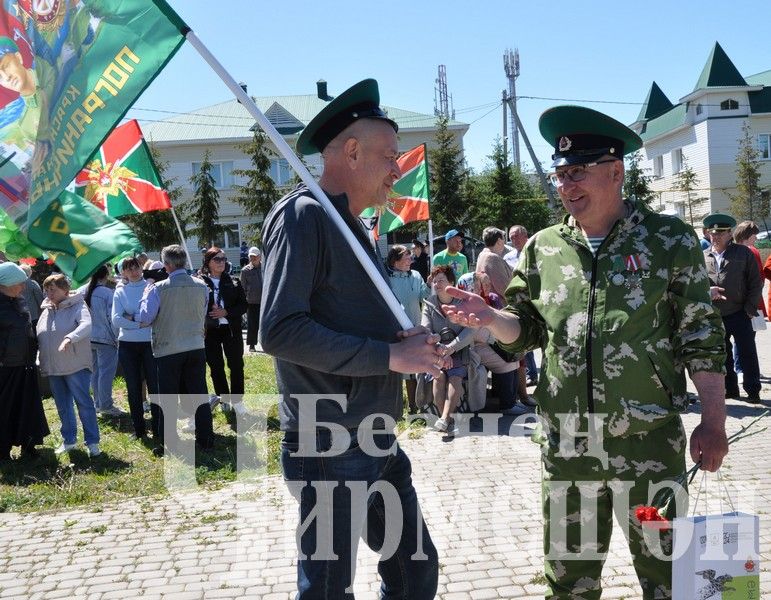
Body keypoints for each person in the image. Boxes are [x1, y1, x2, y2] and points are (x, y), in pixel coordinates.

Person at [442, 105, 728, 599]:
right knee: (568, 583)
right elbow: (525, 331)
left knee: (670, 579)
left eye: (578, 172)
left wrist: (714, 421)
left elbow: (701, 337)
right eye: (559, 174)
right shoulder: (542, 247)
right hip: (568, 445)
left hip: (648, 442)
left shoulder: (667, 241)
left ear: (615, 172)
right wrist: (490, 320)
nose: (566, 185)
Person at [260, 78, 441, 598]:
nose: (397, 169)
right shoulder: (305, 215)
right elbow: (280, 329)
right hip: (330, 441)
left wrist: (403, 338)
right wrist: (390, 355)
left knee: (414, 572)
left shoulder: (349, 222)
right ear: (353, 151)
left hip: (374, 433)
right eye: (390, 156)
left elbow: (341, 313)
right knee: (328, 588)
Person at [139, 244, 214, 456]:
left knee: (168, 398)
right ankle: (206, 439)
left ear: (167, 265)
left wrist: (147, 291)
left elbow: (145, 318)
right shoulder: (201, 285)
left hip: (168, 348)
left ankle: (169, 443)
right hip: (195, 345)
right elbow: (203, 310)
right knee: (199, 393)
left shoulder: (158, 288)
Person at [37, 273, 101, 457]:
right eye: (47, 290)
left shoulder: (78, 305)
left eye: (53, 290)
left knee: (84, 403)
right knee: (63, 405)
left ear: (65, 290)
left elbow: (86, 325)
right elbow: (42, 335)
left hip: (75, 365)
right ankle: (69, 440)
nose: (49, 293)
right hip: (54, 366)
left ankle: (92, 442)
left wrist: (69, 338)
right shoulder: (47, 310)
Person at [703, 213, 763, 404]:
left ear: (730, 234)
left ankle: (753, 390)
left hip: (740, 313)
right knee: (723, 354)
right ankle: (730, 389)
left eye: (720, 233)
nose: (716, 236)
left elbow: (756, 282)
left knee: (747, 353)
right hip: (715, 314)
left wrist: (749, 308)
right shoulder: (702, 256)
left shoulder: (743, 253)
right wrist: (707, 291)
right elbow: (695, 283)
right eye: (713, 233)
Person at [0, 262, 49, 460]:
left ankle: (28, 445)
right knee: (5, 409)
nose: (23, 287)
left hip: (25, 364)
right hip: (5, 367)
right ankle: (2, 451)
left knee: (27, 407)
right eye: (19, 283)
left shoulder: (18, 302)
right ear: (6, 284)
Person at [111, 256, 157, 440]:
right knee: (134, 387)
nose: (134, 271)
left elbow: (154, 315)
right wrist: (139, 322)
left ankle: (159, 425)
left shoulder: (151, 287)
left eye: (136, 267)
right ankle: (139, 429)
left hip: (150, 343)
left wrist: (131, 317)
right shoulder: (120, 291)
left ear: (142, 267)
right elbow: (116, 319)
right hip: (128, 344)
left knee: (155, 385)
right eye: (128, 269)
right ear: (123, 272)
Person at [200, 246, 248, 416]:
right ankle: (223, 398)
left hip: (231, 329)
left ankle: (237, 400)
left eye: (223, 259)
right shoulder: (199, 282)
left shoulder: (234, 281)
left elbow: (243, 305)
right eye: (217, 259)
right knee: (216, 366)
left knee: (236, 364)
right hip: (210, 331)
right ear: (208, 262)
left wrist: (226, 312)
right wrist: (208, 311)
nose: (222, 262)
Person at [386, 244, 429, 413]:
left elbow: (423, 295)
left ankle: (417, 406)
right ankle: (400, 407)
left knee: (415, 368)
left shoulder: (416, 275)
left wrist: (431, 284)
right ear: (395, 261)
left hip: (415, 326)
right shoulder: (386, 279)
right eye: (407, 257)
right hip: (395, 329)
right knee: (399, 370)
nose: (411, 260)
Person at [83, 265, 124, 417]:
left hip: (88, 337)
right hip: (106, 338)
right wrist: (116, 337)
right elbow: (111, 318)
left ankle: (98, 403)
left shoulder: (83, 291)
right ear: (105, 276)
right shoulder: (107, 293)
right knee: (106, 374)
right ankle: (106, 405)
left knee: (95, 372)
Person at [503, 224, 539, 386]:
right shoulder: (507, 258)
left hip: (537, 300)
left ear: (525, 236)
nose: (514, 240)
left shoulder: (537, 253)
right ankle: (531, 374)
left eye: (517, 236)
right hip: (519, 304)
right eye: (511, 238)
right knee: (523, 338)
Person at [733, 220, 766, 317]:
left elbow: (759, 279)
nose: (756, 237)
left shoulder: (749, 251)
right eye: (754, 235)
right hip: (745, 300)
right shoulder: (750, 251)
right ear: (746, 235)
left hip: (746, 301)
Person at [475, 226, 513, 298]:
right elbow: (504, 288)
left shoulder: (482, 255)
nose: (504, 243)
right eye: (503, 239)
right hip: (497, 305)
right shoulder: (493, 258)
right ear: (499, 241)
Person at [239, 246, 263, 353]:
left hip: (265, 302)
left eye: (254, 256)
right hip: (251, 302)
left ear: (259, 256)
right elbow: (242, 288)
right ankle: (252, 345)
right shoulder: (245, 271)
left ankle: (268, 344)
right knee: (252, 325)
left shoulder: (265, 268)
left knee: (265, 324)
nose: (252, 259)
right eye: (250, 257)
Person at [18, 263, 43, 328]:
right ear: (29, 272)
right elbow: (40, 299)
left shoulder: (14, 283)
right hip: (34, 315)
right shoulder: (32, 283)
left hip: (20, 315)